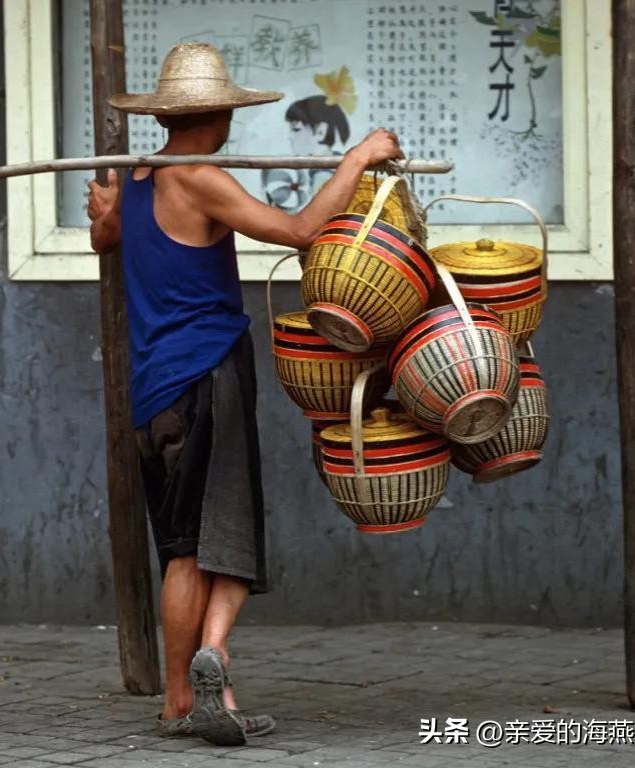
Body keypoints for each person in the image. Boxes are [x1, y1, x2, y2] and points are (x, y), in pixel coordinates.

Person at [87, 43, 402, 747]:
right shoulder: (199, 177)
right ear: (220, 112)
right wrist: (357, 159)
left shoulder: (140, 175)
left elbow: (105, 235)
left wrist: (104, 210)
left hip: (151, 392)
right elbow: (298, 231)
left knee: (179, 546)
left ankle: (181, 700)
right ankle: (216, 657)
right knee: (224, 535)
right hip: (207, 377)